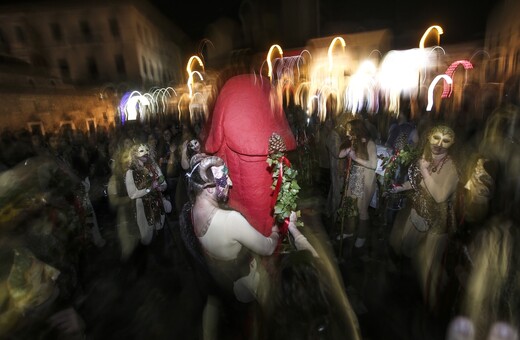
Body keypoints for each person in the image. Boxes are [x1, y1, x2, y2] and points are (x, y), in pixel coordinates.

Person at [389, 123, 459, 314]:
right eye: (436, 138)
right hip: (419, 212)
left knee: (429, 266)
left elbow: (439, 195)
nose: (439, 144)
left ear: (451, 144)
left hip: (438, 222)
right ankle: (409, 287)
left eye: (446, 141)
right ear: (428, 137)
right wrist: (399, 187)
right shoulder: (427, 158)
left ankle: (436, 307)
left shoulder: (451, 167)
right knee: (404, 245)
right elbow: (418, 183)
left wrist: (426, 171)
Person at [338, 118, 378, 249]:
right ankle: (349, 232)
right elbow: (340, 155)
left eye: (350, 130)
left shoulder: (370, 143)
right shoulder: (353, 141)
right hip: (354, 179)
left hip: (365, 180)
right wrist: (349, 144)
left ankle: (361, 235)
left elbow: (373, 165)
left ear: (357, 130)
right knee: (349, 206)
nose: (347, 132)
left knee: (362, 210)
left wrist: (355, 158)